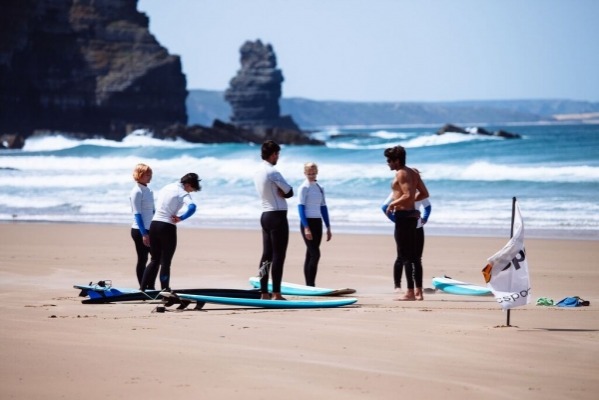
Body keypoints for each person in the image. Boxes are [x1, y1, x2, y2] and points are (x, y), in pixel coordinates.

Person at [140, 173, 201, 291]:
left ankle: (142, 289)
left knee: (154, 259)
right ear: (187, 184)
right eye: (191, 189)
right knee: (166, 262)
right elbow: (192, 207)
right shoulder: (182, 193)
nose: (191, 192)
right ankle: (165, 290)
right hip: (167, 227)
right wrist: (181, 218)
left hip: (154, 224)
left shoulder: (166, 187)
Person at [384, 145, 429, 301]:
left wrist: (393, 204)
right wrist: (413, 206)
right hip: (412, 216)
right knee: (415, 257)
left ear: (397, 160)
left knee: (406, 256)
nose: (387, 163)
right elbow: (424, 193)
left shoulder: (402, 173)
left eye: (389, 160)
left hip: (403, 217)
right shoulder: (413, 172)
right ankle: (419, 291)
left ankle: (409, 292)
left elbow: (408, 194)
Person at [254, 140, 293, 300]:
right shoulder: (273, 172)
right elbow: (289, 191)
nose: (278, 157)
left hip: (265, 215)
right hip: (277, 217)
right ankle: (276, 293)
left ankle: (264, 292)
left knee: (266, 255)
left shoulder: (257, 171)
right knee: (278, 255)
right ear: (273, 154)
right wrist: (284, 193)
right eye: (277, 154)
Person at [382, 193, 431, 292]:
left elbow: (427, 206)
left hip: (418, 228)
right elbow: (384, 207)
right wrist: (396, 220)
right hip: (403, 228)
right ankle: (397, 286)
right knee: (401, 257)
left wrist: (425, 218)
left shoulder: (419, 193)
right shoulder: (397, 192)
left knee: (417, 258)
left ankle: (418, 287)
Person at [298, 162, 332, 287]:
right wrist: (306, 227)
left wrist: (328, 227)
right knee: (315, 254)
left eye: (313, 173)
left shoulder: (319, 187)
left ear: (316, 172)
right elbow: (300, 208)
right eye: (309, 173)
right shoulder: (303, 188)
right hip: (307, 223)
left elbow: (323, 207)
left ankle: (309, 285)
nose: (311, 176)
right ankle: (311, 284)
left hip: (318, 223)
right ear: (305, 173)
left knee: (310, 253)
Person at [129, 163, 155, 287]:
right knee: (143, 258)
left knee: (156, 258)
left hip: (151, 229)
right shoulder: (137, 191)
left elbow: (152, 211)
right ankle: (143, 287)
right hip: (139, 230)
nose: (150, 177)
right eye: (147, 174)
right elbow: (137, 214)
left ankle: (150, 286)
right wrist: (144, 233)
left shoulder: (148, 190)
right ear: (140, 175)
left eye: (151, 174)